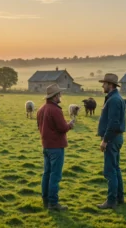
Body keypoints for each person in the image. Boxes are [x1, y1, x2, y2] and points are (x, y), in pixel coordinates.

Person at [37, 83, 74, 211]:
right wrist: (70, 125)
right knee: (55, 175)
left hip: (46, 146)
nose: (61, 96)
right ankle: (53, 203)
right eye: (59, 94)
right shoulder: (56, 110)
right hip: (56, 147)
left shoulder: (41, 109)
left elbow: (39, 127)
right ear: (55, 96)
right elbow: (62, 128)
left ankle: (45, 200)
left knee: (46, 173)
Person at [97, 73, 126, 209]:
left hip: (112, 139)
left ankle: (111, 201)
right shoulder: (115, 98)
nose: (102, 85)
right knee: (116, 168)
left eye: (104, 83)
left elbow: (113, 123)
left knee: (110, 171)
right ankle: (119, 198)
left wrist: (105, 140)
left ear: (110, 85)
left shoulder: (113, 100)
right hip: (116, 138)